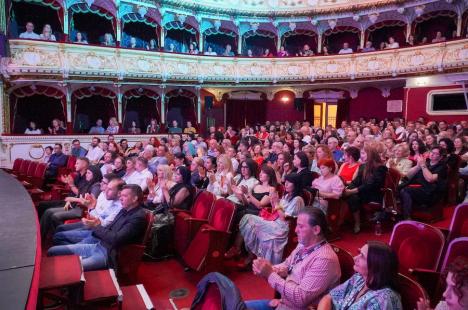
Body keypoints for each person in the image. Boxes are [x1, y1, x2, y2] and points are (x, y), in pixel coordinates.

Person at [245, 208, 341, 309]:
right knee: (235, 305)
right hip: (284, 303)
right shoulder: (303, 245)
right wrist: (267, 268)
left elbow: (300, 298)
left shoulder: (325, 260)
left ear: (316, 230)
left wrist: (270, 274)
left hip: (296, 307)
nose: (295, 230)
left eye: (301, 226)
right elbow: (287, 265)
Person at [47, 184, 147, 271]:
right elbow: (108, 228)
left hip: (108, 254)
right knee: (52, 251)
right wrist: (95, 224)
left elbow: (116, 239)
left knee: (70, 267)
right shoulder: (124, 209)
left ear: (135, 199)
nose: (120, 198)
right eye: (121, 195)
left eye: (125, 196)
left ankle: (70, 283)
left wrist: (96, 226)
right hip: (98, 244)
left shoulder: (138, 217)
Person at [318, 241, 402, 310]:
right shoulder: (359, 278)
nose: (355, 258)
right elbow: (328, 298)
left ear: (375, 266)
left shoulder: (383, 300)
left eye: (362, 256)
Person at [52, 176, 124, 245]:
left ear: (119, 193)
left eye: (110, 189)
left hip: (96, 230)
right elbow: (93, 213)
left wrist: (91, 208)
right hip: (89, 222)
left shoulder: (120, 206)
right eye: (107, 187)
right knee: (60, 228)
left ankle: (77, 250)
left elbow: (103, 223)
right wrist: (91, 207)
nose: (106, 190)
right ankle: (76, 247)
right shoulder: (103, 194)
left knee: (58, 237)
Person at [40, 162, 102, 240]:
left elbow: (91, 202)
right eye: (87, 173)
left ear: (95, 175)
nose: (86, 174)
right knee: (48, 211)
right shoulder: (88, 183)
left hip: (81, 211)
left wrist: (73, 199)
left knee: (54, 215)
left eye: (89, 173)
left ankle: (61, 237)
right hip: (76, 206)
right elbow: (80, 195)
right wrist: (70, 201)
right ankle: (44, 236)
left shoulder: (96, 186)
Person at [344, 145, 387, 233]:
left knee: (352, 197)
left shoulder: (380, 168)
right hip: (362, 191)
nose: (361, 156)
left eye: (363, 153)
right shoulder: (363, 166)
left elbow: (370, 185)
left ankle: (357, 222)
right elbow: (355, 182)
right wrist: (346, 189)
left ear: (370, 154)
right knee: (344, 194)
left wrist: (352, 191)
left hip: (373, 194)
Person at [399, 146, 447, 219]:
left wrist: (423, 165)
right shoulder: (426, 162)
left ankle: (406, 216)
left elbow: (430, 179)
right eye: (431, 152)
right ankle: (396, 213)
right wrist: (418, 166)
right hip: (420, 189)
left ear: (440, 157)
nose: (432, 154)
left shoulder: (442, 167)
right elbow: (408, 176)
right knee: (397, 188)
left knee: (405, 190)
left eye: (435, 153)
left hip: (431, 193)